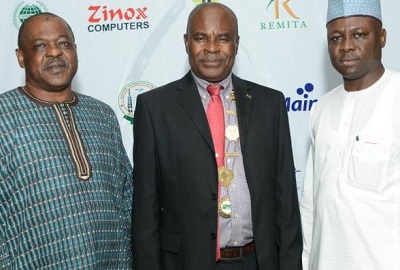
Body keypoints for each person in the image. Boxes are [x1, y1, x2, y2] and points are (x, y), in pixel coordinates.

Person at [132, 2, 302, 270]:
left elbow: (286, 201)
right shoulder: (155, 108)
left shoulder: (270, 104)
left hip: (257, 261)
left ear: (236, 43)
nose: (212, 48)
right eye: (201, 38)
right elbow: (145, 213)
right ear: (186, 42)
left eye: (223, 38)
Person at [0, 12, 133, 269]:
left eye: (63, 43)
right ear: (20, 57)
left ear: (75, 51)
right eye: (40, 46)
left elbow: (127, 198)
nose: (54, 53)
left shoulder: (103, 115)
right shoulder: (4, 116)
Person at [300, 0, 400, 269]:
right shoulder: (320, 108)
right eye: (336, 37)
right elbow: (310, 202)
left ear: (382, 37)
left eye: (359, 34)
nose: (345, 45)